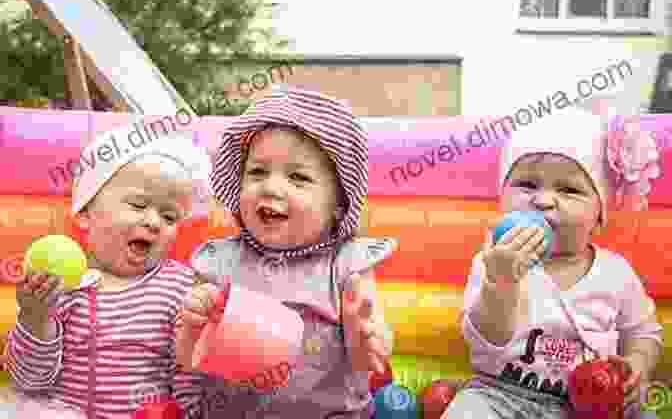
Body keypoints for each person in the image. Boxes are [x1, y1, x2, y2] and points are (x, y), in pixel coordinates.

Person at [176, 85, 396, 418]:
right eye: (257, 172)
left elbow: (371, 346)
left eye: (298, 177)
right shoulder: (220, 261)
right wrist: (192, 325)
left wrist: (367, 340)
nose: (271, 186)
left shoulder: (345, 263)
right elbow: (188, 358)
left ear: (339, 204)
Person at [442, 108, 663, 419]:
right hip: (499, 396)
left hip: (592, 408)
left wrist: (637, 363)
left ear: (599, 216)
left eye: (569, 190)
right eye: (527, 185)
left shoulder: (616, 273)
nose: (543, 200)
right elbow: (487, 339)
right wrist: (502, 282)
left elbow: (644, 333)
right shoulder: (494, 260)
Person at [4, 122, 212, 418]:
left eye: (169, 216)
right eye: (138, 204)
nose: (154, 222)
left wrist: (194, 342)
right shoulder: (61, 284)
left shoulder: (180, 288)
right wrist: (35, 318)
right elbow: (28, 382)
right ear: (86, 214)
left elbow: (191, 391)